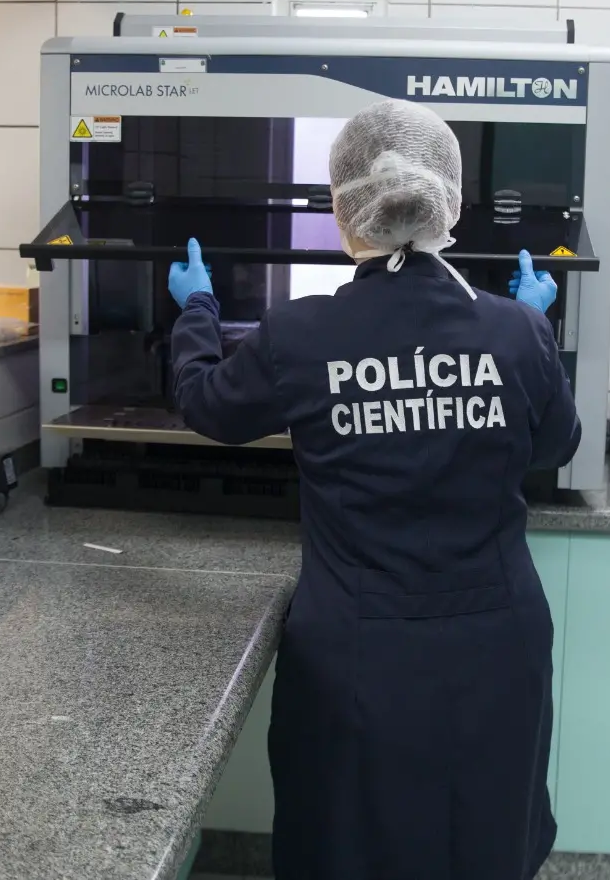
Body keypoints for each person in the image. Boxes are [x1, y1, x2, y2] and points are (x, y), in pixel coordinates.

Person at [166, 98, 581, 880]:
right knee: (480, 844)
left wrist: (196, 307)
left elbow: (206, 406)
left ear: (340, 209)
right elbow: (555, 443)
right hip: (496, 647)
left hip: (359, 652)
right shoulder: (515, 332)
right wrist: (533, 334)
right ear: (450, 203)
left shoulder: (299, 333)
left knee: (347, 850)